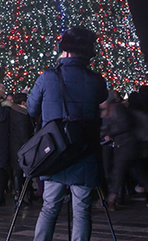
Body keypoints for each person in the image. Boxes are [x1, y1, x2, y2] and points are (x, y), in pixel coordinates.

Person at [27, 26, 108, 241]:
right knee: (82, 210)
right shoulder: (96, 79)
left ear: (65, 49)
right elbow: (102, 97)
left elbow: (32, 109)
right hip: (85, 151)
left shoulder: (48, 77)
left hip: (54, 152)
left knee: (49, 207)